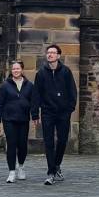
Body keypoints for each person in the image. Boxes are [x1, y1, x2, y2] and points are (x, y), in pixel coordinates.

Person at [33, 43, 77, 185]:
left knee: (63, 140)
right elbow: (36, 94)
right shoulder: (41, 73)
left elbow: (72, 91)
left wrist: (70, 108)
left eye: (53, 52)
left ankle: (56, 164)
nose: (50, 54)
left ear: (58, 55)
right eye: (48, 52)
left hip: (63, 112)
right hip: (47, 112)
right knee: (49, 142)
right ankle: (51, 172)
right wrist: (35, 113)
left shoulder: (66, 72)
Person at [0, 59, 39, 184]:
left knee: (22, 145)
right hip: (9, 119)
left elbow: (34, 103)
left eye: (18, 68)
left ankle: (21, 166)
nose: (16, 71)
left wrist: (35, 116)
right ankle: (12, 171)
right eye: (13, 69)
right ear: (11, 70)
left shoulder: (29, 86)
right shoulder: (5, 86)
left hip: (23, 119)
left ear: (22, 70)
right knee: (11, 144)